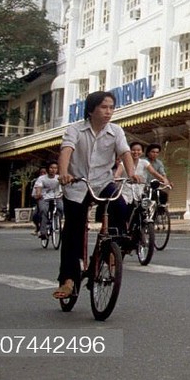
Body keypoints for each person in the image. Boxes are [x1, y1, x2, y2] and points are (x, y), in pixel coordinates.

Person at [54, 91, 136, 301]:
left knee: (120, 205)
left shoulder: (116, 131)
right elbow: (66, 151)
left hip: (102, 183)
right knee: (73, 229)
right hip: (77, 185)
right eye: (103, 107)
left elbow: (125, 152)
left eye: (111, 107)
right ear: (91, 110)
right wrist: (64, 173)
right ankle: (68, 279)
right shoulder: (75, 130)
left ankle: (111, 249)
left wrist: (132, 173)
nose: (108, 112)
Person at [32, 162, 62, 237]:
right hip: (44, 198)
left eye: (55, 168)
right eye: (51, 168)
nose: (53, 170)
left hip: (56, 197)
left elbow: (64, 187)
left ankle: (57, 223)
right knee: (43, 210)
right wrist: (38, 194)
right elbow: (38, 188)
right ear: (48, 169)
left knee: (61, 208)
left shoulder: (59, 178)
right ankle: (43, 231)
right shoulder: (41, 178)